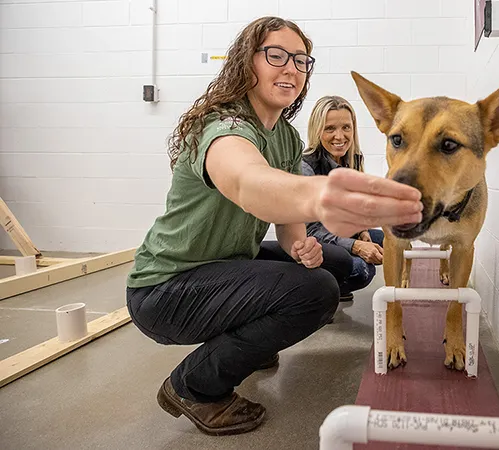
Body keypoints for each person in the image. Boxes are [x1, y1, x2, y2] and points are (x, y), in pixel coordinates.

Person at [124, 16, 422, 436]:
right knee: (316, 291)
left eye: (301, 61)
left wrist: (303, 246)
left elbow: (288, 224)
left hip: (219, 267)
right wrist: (330, 195)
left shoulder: (283, 136)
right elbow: (250, 183)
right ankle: (193, 388)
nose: (291, 69)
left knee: (315, 271)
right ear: (248, 64)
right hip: (164, 289)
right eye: (276, 55)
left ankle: (247, 345)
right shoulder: (224, 128)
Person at [302, 96, 385, 301]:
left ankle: (334, 281)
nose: (339, 136)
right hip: (315, 241)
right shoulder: (307, 168)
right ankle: (320, 292)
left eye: (346, 127)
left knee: (387, 242)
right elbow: (310, 231)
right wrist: (355, 246)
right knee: (362, 270)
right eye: (330, 128)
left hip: (337, 233)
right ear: (317, 130)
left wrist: (363, 231)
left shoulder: (353, 160)